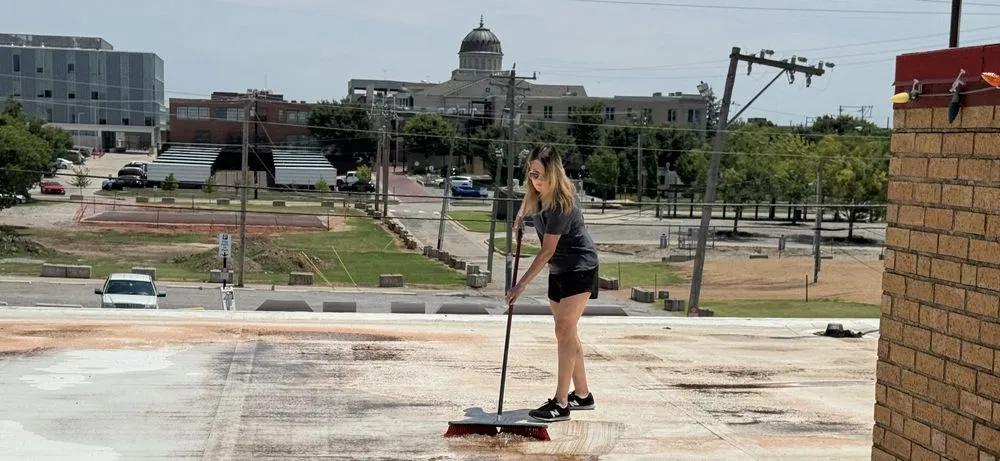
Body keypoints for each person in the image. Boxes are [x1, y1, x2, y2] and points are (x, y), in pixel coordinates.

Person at [505, 143, 600, 423]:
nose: (536, 180)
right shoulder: (538, 193)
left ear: (555, 175)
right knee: (566, 332)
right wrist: (520, 216)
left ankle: (561, 403)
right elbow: (528, 196)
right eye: (532, 174)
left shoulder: (560, 203)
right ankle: (582, 395)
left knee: (564, 329)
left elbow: (547, 251)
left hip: (580, 267)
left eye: (542, 175)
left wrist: (520, 286)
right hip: (560, 269)